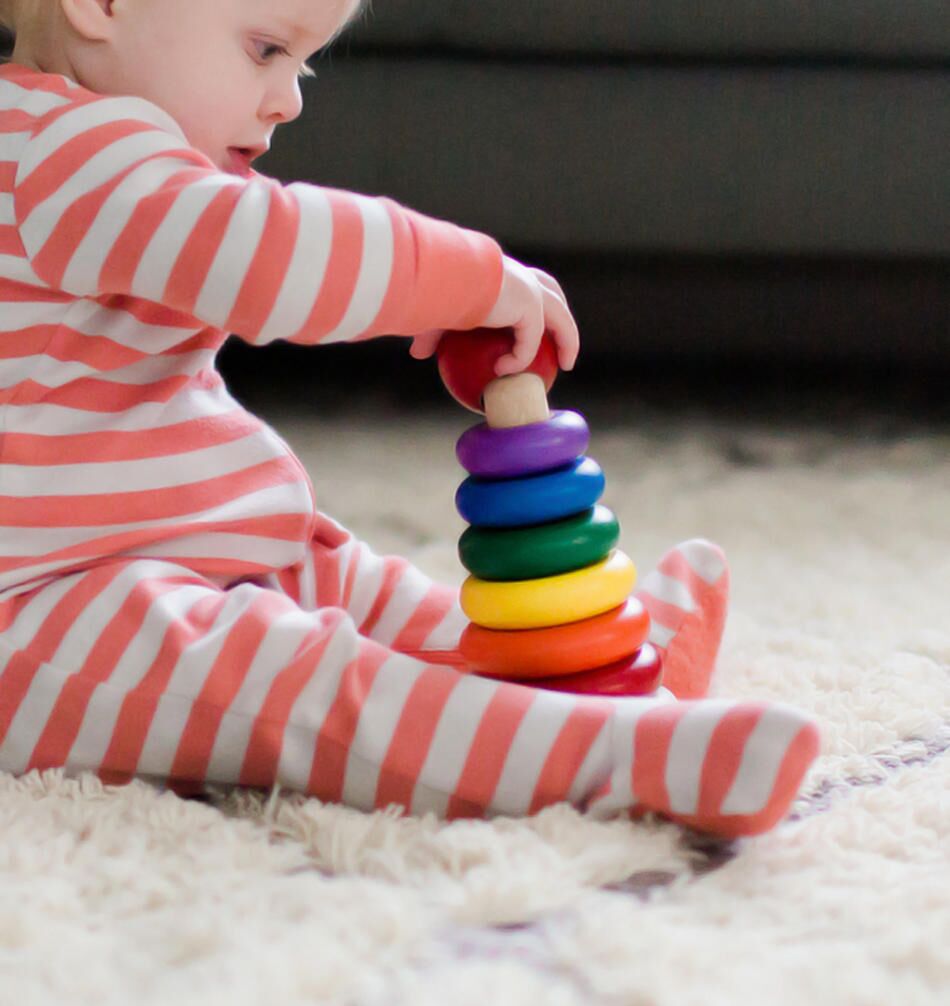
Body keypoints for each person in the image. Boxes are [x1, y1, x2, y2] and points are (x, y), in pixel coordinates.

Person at [0, 0, 819, 836]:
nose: (288, 100)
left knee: (391, 603)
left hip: (202, 545)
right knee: (305, 685)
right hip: (45, 611)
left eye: (302, 66)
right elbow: (266, 254)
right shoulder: (55, 152)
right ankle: (610, 761)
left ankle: (607, 676)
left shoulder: (101, 161)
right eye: (265, 49)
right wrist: (464, 276)